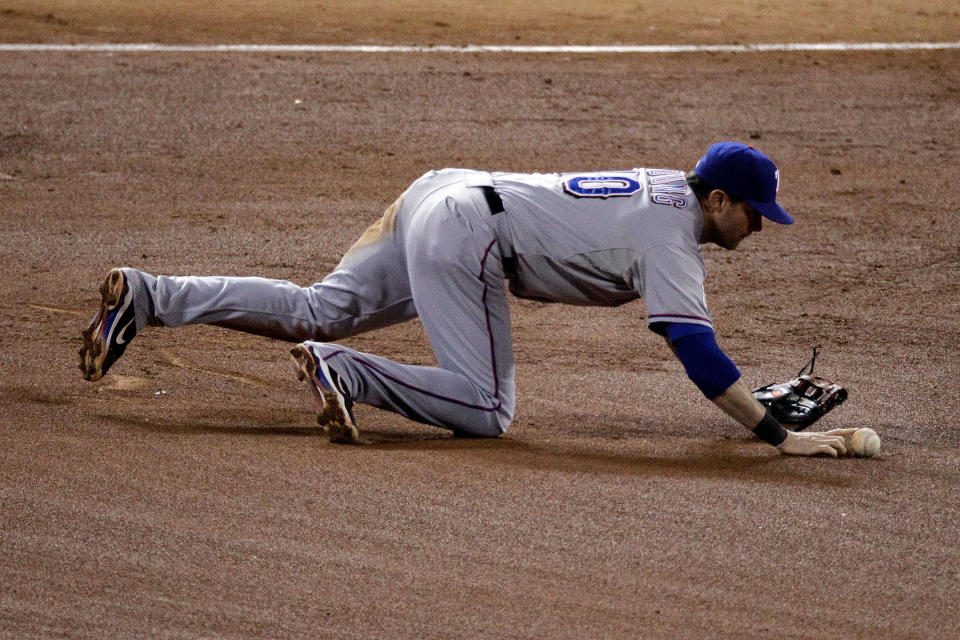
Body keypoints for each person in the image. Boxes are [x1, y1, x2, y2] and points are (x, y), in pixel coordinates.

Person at [79, 141, 852, 455]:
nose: (760, 227)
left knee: (319, 303)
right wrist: (780, 437)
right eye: (755, 214)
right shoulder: (672, 240)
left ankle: (149, 295)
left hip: (442, 194)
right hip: (467, 234)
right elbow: (699, 354)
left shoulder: (660, 187)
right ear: (718, 200)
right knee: (486, 410)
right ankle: (343, 372)